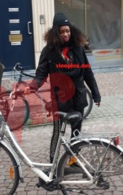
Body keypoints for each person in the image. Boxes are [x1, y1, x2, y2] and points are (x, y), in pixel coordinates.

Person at [26, 13, 101, 162]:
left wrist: (95, 93)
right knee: (57, 133)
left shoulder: (78, 48)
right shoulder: (49, 51)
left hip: (78, 97)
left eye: (68, 31)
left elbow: (87, 72)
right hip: (60, 99)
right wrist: (33, 86)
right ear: (56, 32)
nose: (66, 34)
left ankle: (73, 161)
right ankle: (53, 164)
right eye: (62, 32)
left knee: (76, 132)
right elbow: (41, 73)